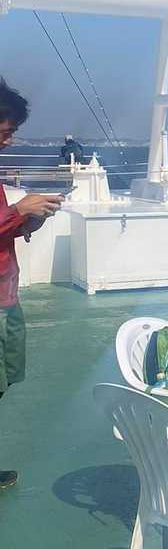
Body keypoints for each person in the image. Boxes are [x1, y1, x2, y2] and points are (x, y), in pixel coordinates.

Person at [0, 80, 64, 490]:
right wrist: (19, 209)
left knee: (4, 379)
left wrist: (28, 220)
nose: (8, 141)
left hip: (6, 297)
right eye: (6, 132)